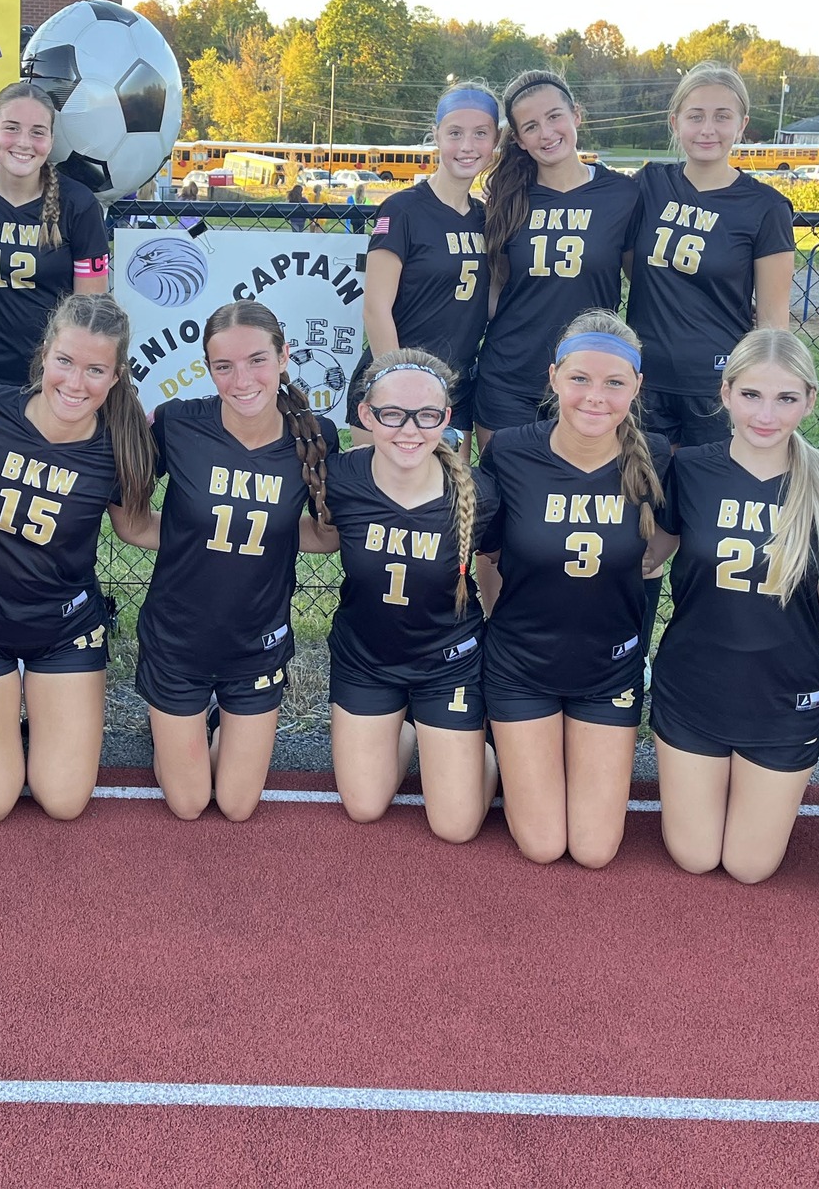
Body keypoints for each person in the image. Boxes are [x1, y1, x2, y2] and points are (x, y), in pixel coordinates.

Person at [0, 293, 157, 822]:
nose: (76, 384)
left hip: (64, 629)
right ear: (45, 354)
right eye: (66, 362)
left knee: (64, 801)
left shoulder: (122, 447)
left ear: (116, 376)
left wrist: (243, 534)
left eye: (96, 370)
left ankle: (37, 720)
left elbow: (135, 528)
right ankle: (6, 716)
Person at [644, 329, 819, 882]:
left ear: (810, 400)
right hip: (694, 685)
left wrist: (796, 594)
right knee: (695, 857)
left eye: (786, 398)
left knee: (749, 866)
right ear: (726, 392)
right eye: (752, 395)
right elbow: (647, 560)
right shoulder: (688, 470)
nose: (767, 414)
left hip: (782, 694)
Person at [134, 301, 339, 822]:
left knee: (237, 805)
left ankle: (210, 727)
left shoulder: (316, 437)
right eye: (223, 366)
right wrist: (185, 536)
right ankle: (176, 734)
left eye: (256, 360)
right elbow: (132, 523)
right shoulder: (180, 424)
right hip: (178, 637)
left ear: (284, 356)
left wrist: (264, 536)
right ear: (208, 368)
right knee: (187, 804)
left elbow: (324, 537)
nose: (241, 379)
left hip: (255, 642)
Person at [477, 309, 666, 868]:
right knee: (541, 845)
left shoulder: (656, 458)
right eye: (580, 378)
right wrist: (499, 622)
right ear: (554, 375)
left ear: (637, 386)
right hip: (521, 665)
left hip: (607, 669)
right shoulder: (511, 451)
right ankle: (479, 753)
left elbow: (667, 542)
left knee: (593, 850)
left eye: (614, 382)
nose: (595, 397)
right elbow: (488, 553)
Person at [326, 350, 498, 843]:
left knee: (457, 827)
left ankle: (478, 748)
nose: (409, 429)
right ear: (365, 415)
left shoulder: (479, 494)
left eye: (426, 416)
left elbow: (497, 565)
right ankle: (410, 728)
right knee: (364, 807)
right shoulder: (342, 478)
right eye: (392, 414)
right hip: (366, 661)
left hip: (449, 666)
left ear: (445, 418)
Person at [625, 61, 795, 449]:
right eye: (695, 116)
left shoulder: (765, 207)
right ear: (675, 122)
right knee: (646, 497)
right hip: (644, 378)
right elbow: (632, 266)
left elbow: (772, 322)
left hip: (716, 384)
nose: (707, 129)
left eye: (722, 117)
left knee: (705, 498)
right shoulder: (650, 184)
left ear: (742, 124)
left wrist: (762, 390)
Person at [474, 70, 642, 442]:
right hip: (510, 376)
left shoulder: (622, 195)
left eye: (554, 117)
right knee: (501, 496)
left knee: (574, 495)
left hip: (588, 380)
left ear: (576, 115)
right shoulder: (506, 198)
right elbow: (494, 286)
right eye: (531, 126)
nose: (547, 133)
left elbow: (647, 280)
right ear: (518, 139)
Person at [0, 81, 110, 386]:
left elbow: (90, 305)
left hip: (51, 376)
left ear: (51, 139)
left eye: (37, 132)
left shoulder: (78, 204)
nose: (24, 142)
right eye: (12, 128)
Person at [351, 83, 496, 439]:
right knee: (380, 494)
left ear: (495, 140)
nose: (467, 146)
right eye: (455, 133)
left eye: (480, 134)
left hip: (454, 387)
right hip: (395, 384)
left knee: (452, 494)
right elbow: (375, 309)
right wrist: (399, 388)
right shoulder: (403, 209)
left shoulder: (487, 217)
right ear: (436, 136)